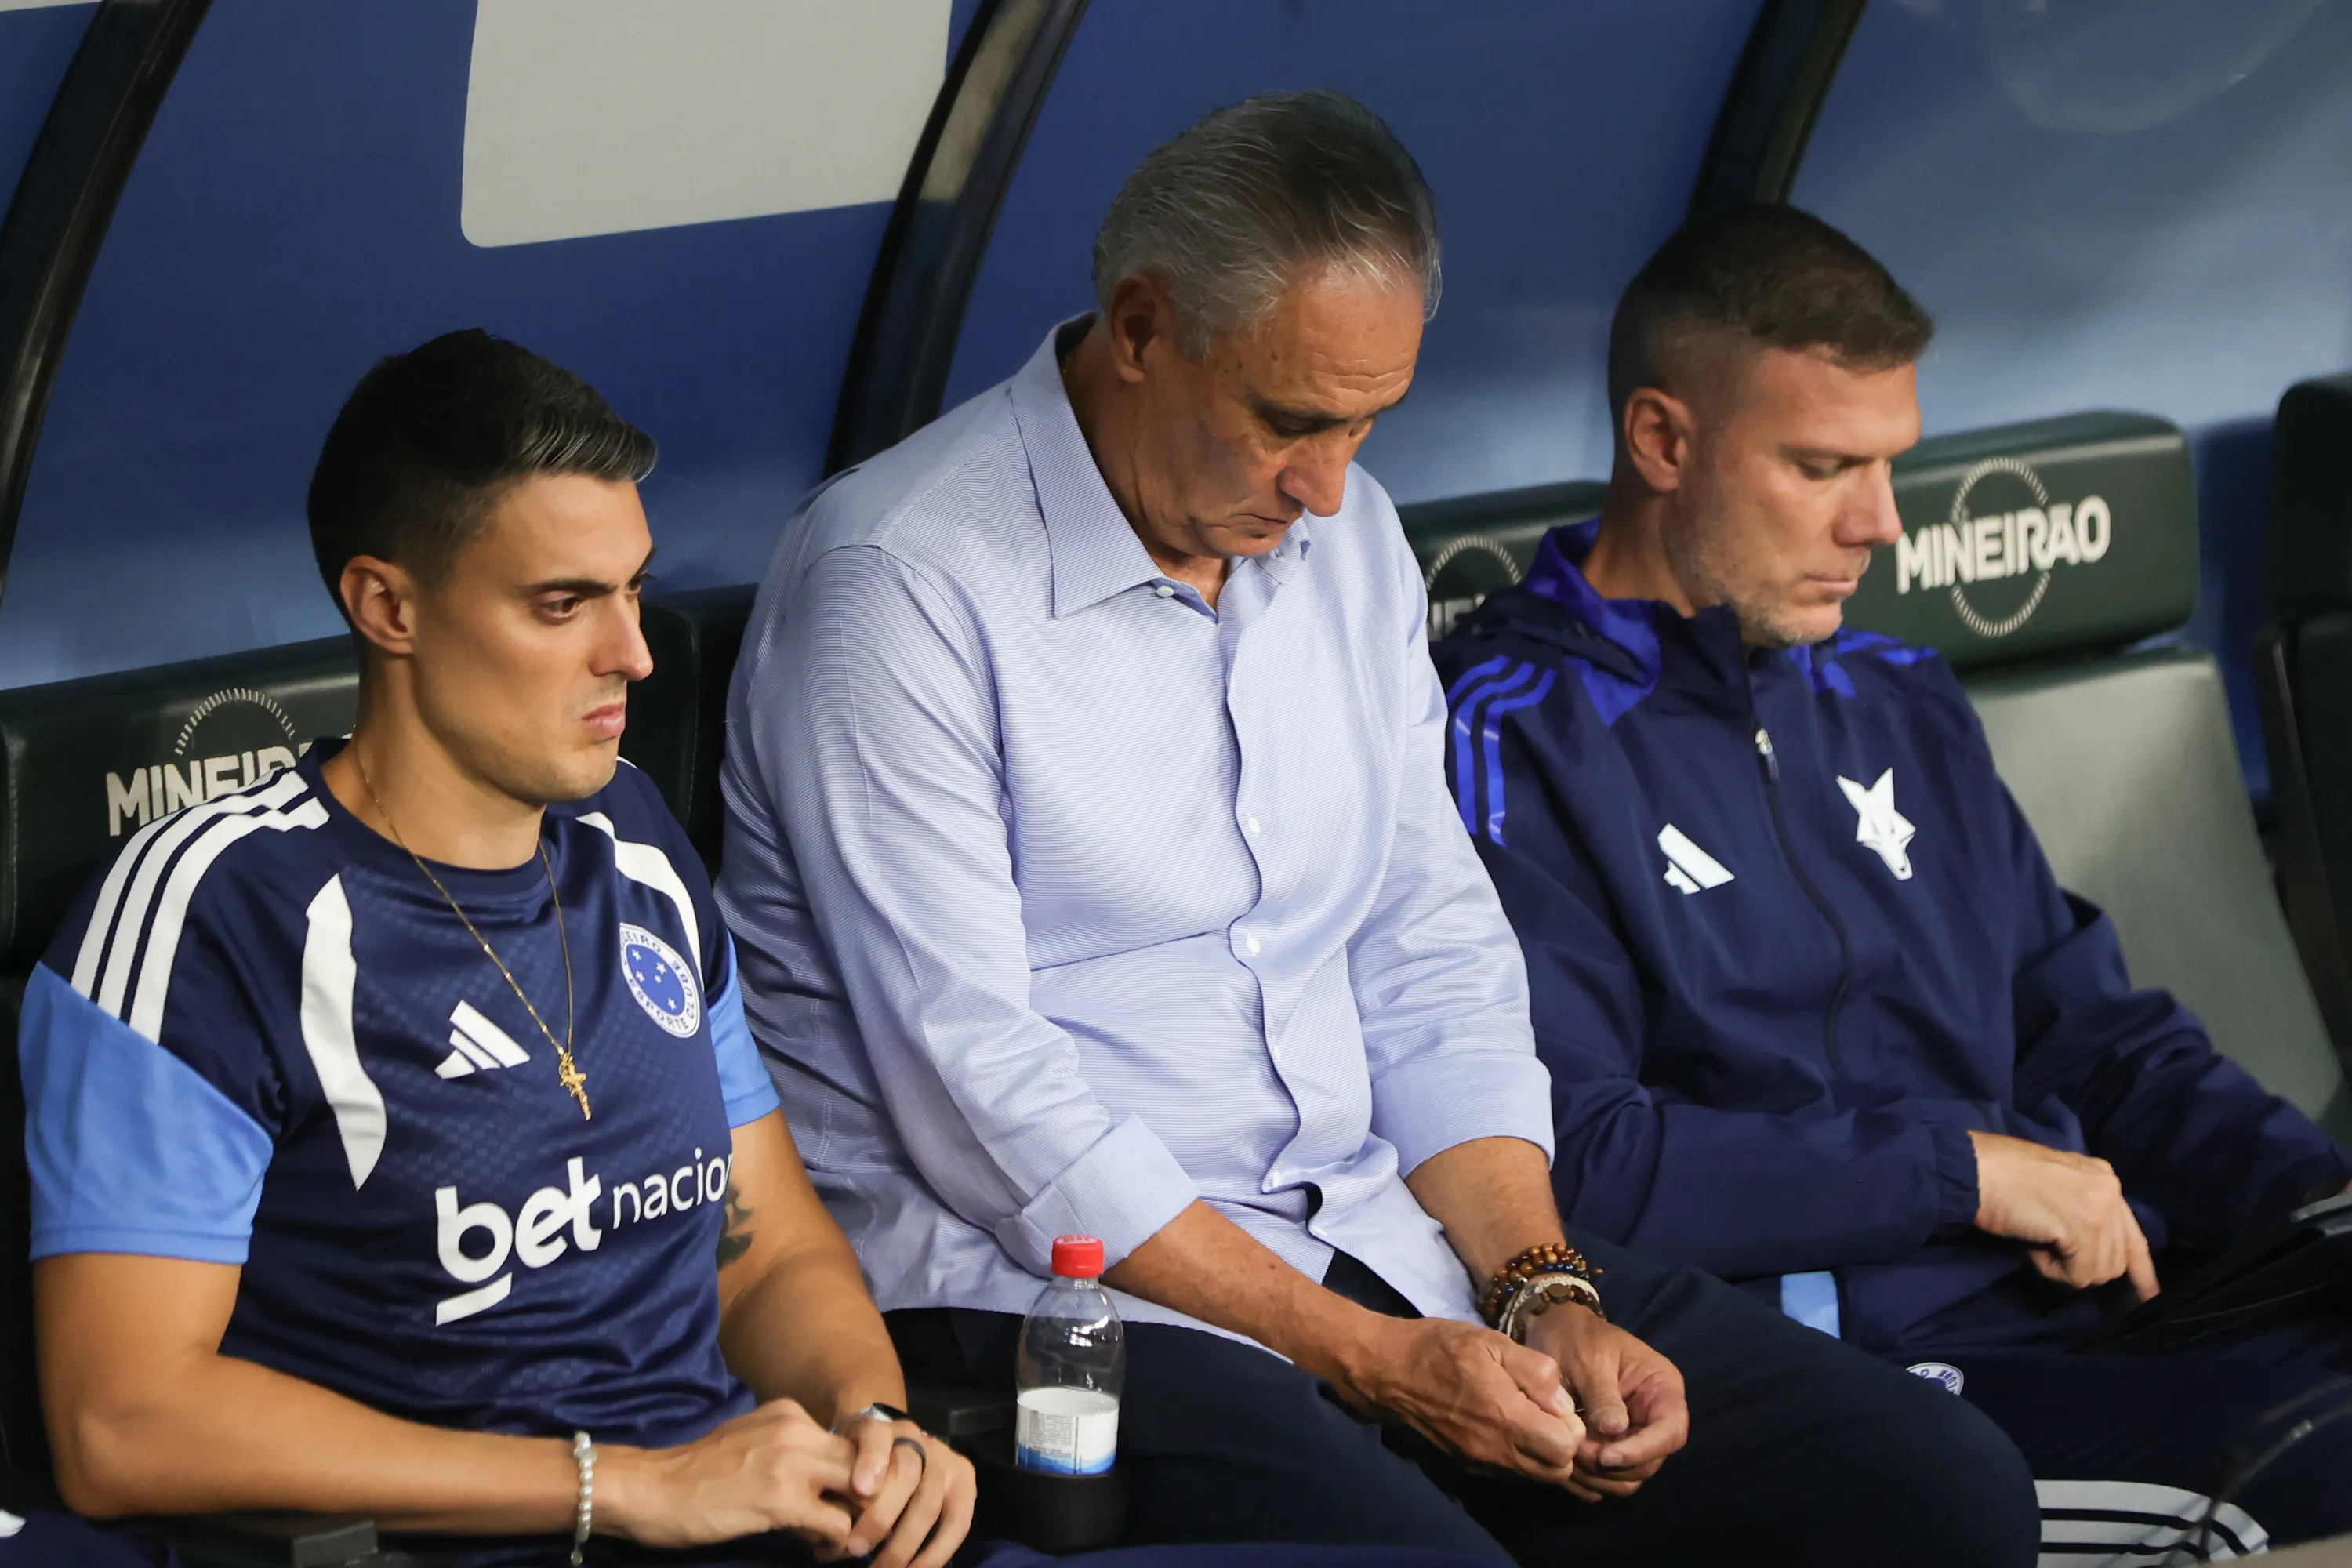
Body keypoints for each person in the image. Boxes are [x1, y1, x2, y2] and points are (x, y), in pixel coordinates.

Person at [717, 90, 2037, 1566]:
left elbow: (1433, 952)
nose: (1330, 485)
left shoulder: (1345, 542)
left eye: (1365, 424)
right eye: (1289, 420)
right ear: (1142, 328)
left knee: (1935, 1493)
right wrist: (1371, 1358)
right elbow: (982, 1098)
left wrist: (1544, 1290)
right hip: (1053, 1304)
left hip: (1382, 1241)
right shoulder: (899, 581)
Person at [1431, 202, 2352, 1557]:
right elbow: (1580, 1166)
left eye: (1889, 466)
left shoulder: (1899, 693)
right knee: (2315, 1472)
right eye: (1821, 467)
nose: (1880, 523)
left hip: (2091, 1308)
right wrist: (1961, 1174)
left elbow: (2099, 1039)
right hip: (1853, 1374)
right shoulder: (1514, 731)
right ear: (1662, 440)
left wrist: (2317, 1200)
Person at [20, 331, 975, 1568]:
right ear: (388, 606)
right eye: (562, 604)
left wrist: (873, 1424)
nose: (630, 652)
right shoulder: (217, 912)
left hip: (742, 1524)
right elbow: (123, 1423)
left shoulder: (631, 837)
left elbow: (770, 1248)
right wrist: (623, 1486)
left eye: (631, 589)